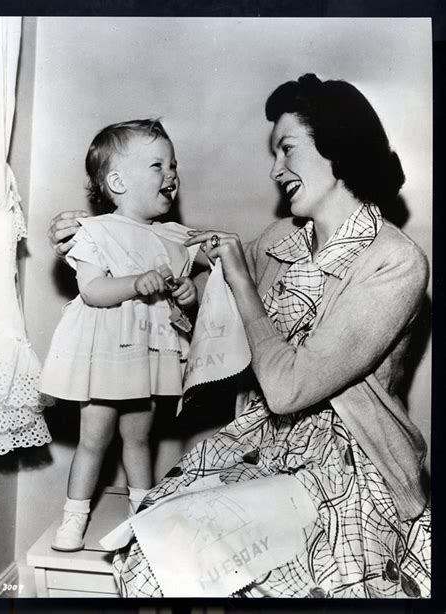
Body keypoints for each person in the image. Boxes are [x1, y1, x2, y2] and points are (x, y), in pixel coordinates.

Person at [48, 74, 430, 598]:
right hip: (261, 443)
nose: (276, 170)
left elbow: (290, 387)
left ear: (338, 145)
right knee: (149, 560)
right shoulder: (281, 239)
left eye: (287, 149)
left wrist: (241, 281)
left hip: (351, 466)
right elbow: (217, 315)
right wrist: (90, 238)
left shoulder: (396, 260)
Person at [40, 119, 203, 552]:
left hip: (147, 353)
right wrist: (135, 282)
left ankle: (143, 515)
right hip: (107, 356)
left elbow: (182, 298)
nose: (172, 174)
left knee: (139, 439)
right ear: (117, 181)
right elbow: (93, 291)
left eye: (173, 165)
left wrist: (187, 294)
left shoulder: (173, 238)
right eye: (157, 165)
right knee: (94, 439)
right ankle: (73, 519)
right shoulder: (95, 231)